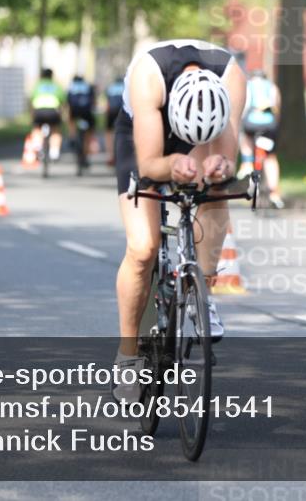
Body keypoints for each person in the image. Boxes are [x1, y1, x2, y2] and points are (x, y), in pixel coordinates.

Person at [111, 39, 246, 402]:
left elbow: (227, 162)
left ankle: (201, 289)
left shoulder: (231, 78)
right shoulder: (148, 76)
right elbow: (150, 163)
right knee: (143, 248)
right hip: (145, 135)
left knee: (216, 188)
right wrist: (173, 165)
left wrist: (220, 167)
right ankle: (127, 356)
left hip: (206, 130)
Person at [237, 69, 284, 208]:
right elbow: (277, 108)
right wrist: (275, 125)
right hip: (269, 126)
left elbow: (243, 108)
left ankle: (246, 163)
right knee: (270, 158)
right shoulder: (272, 86)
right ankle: (274, 193)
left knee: (245, 138)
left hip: (250, 124)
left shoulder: (248, 85)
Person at [29, 68, 64, 161]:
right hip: (53, 111)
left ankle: (37, 146)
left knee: (37, 128)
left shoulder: (37, 86)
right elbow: (62, 101)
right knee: (56, 130)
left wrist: (32, 115)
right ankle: (54, 152)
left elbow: (31, 100)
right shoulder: (56, 86)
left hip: (39, 111)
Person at [66, 74, 97, 157]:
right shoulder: (88, 87)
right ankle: (88, 146)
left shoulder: (71, 87)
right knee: (89, 130)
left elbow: (68, 103)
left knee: (71, 119)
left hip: (75, 111)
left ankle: (72, 136)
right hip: (86, 112)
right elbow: (93, 102)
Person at [103, 77, 125, 166]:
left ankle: (110, 155)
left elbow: (107, 105)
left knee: (108, 133)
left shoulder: (110, 88)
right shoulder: (125, 86)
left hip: (111, 113)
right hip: (122, 112)